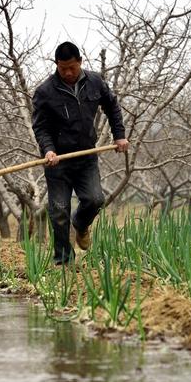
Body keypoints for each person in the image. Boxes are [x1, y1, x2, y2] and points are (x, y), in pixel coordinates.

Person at [32, 42, 129, 265]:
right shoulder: (45, 92)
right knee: (58, 211)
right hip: (58, 162)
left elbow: (112, 107)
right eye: (62, 68)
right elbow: (41, 127)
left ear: (80, 63)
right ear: (56, 65)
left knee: (95, 200)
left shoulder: (95, 82)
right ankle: (63, 262)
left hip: (86, 156)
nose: (67, 72)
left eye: (72, 68)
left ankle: (81, 223)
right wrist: (48, 150)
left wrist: (119, 134)